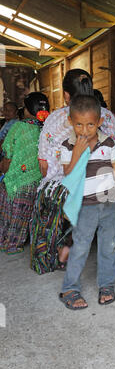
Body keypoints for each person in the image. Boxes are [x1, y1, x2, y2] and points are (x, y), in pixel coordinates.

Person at [31, 69, 115, 275]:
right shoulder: (108, 117)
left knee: (51, 194)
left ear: (66, 95)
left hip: (69, 186)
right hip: (106, 186)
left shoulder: (55, 119)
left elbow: (44, 167)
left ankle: (56, 248)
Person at [59, 95, 115, 310]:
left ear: (99, 122)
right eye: (79, 124)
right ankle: (70, 288)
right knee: (81, 247)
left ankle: (106, 285)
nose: (84, 130)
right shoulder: (68, 145)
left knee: (110, 245)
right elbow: (67, 176)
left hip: (108, 204)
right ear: (70, 121)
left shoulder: (108, 143)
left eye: (90, 124)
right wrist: (77, 152)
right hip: (85, 206)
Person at [0, 93, 49, 254]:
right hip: (38, 181)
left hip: (17, 179)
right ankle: (17, 243)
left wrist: (4, 169)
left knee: (9, 213)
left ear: (26, 110)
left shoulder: (18, 127)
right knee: (26, 214)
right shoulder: (47, 128)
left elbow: (7, 154)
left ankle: (6, 242)